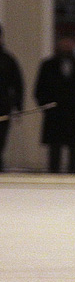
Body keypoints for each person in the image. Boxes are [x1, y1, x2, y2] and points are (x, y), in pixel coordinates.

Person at [35, 36, 75, 173]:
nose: (66, 47)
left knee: (74, 149)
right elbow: (40, 89)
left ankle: (73, 176)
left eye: (69, 44)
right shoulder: (48, 65)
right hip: (54, 113)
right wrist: (46, 106)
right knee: (54, 148)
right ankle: (53, 175)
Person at [0, 23, 24, 172]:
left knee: (0, 141)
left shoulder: (7, 60)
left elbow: (17, 84)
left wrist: (18, 106)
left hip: (2, 108)